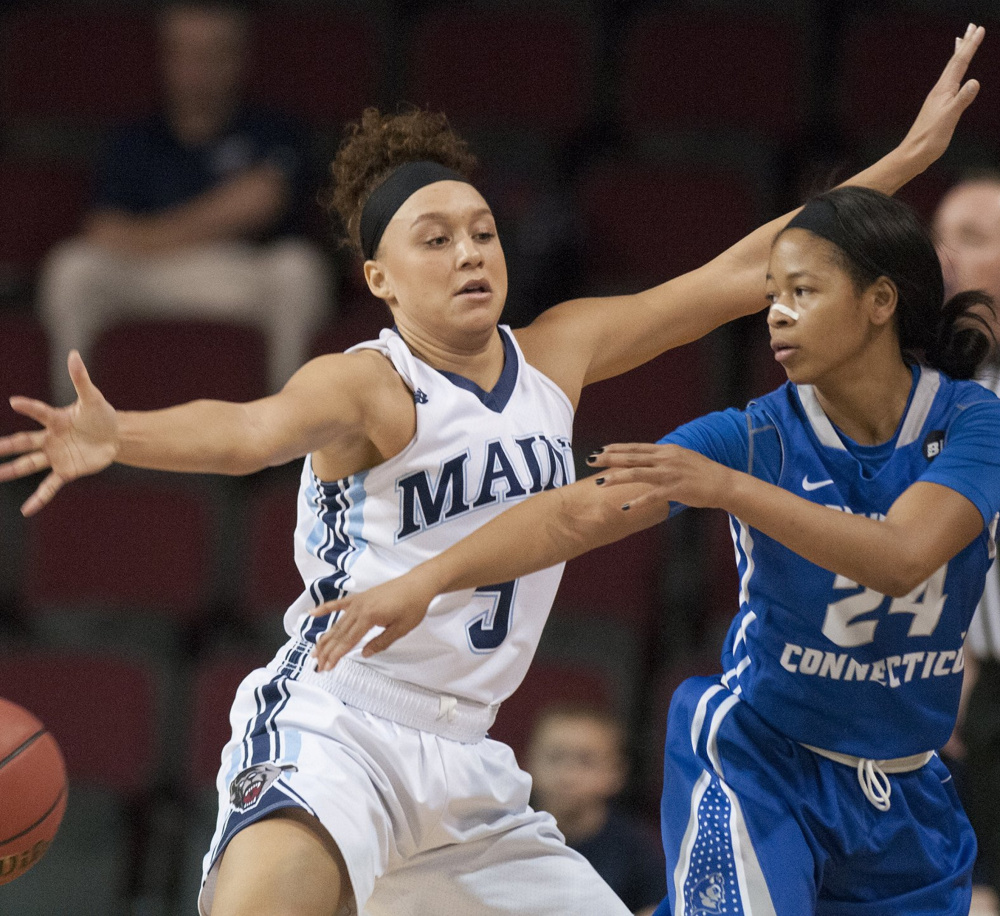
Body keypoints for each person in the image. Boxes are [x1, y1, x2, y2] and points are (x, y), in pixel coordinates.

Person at [0, 26, 983, 916]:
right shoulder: (368, 386)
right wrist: (118, 434)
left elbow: (746, 272)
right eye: (436, 240)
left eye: (481, 230)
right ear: (380, 278)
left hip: (468, 760)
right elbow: (248, 430)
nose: (471, 251)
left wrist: (898, 162)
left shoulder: (560, 346)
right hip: (338, 725)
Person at [306, 65, 1000, 916]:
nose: (774, 313)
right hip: (765, 761)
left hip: (907, 786)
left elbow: (902, 558)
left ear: (879, 302)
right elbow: (578, 510)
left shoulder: (973, 422)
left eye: (802, 296)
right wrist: (424, 578)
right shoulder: (748, 433)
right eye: (774, 298)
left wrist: (906, 158)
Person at [38, 0, 331, 401]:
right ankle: (73, 424)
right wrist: (220, 214)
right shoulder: (134, 139)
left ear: (238, 59)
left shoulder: (274, 131)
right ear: (165, 58)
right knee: (71, 269)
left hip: (239, 276)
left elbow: (264, 202)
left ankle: (288, 437)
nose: (197, 70)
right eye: (184, 53)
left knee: (299, 271)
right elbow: (101, 231)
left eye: (213, 54)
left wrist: (149, 234)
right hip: (148, 275)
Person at [934, 175, 1000, 906]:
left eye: (974, 240)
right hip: (976, 679)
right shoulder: (941, 377)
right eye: (942, 236)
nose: (947, 256)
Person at [526, 703, 666, 915]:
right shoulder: (504, 833)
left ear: (616, 773)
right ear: (528, 762)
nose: (568, 775)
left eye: (586, 761)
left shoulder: (636, 850)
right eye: (555, 758)